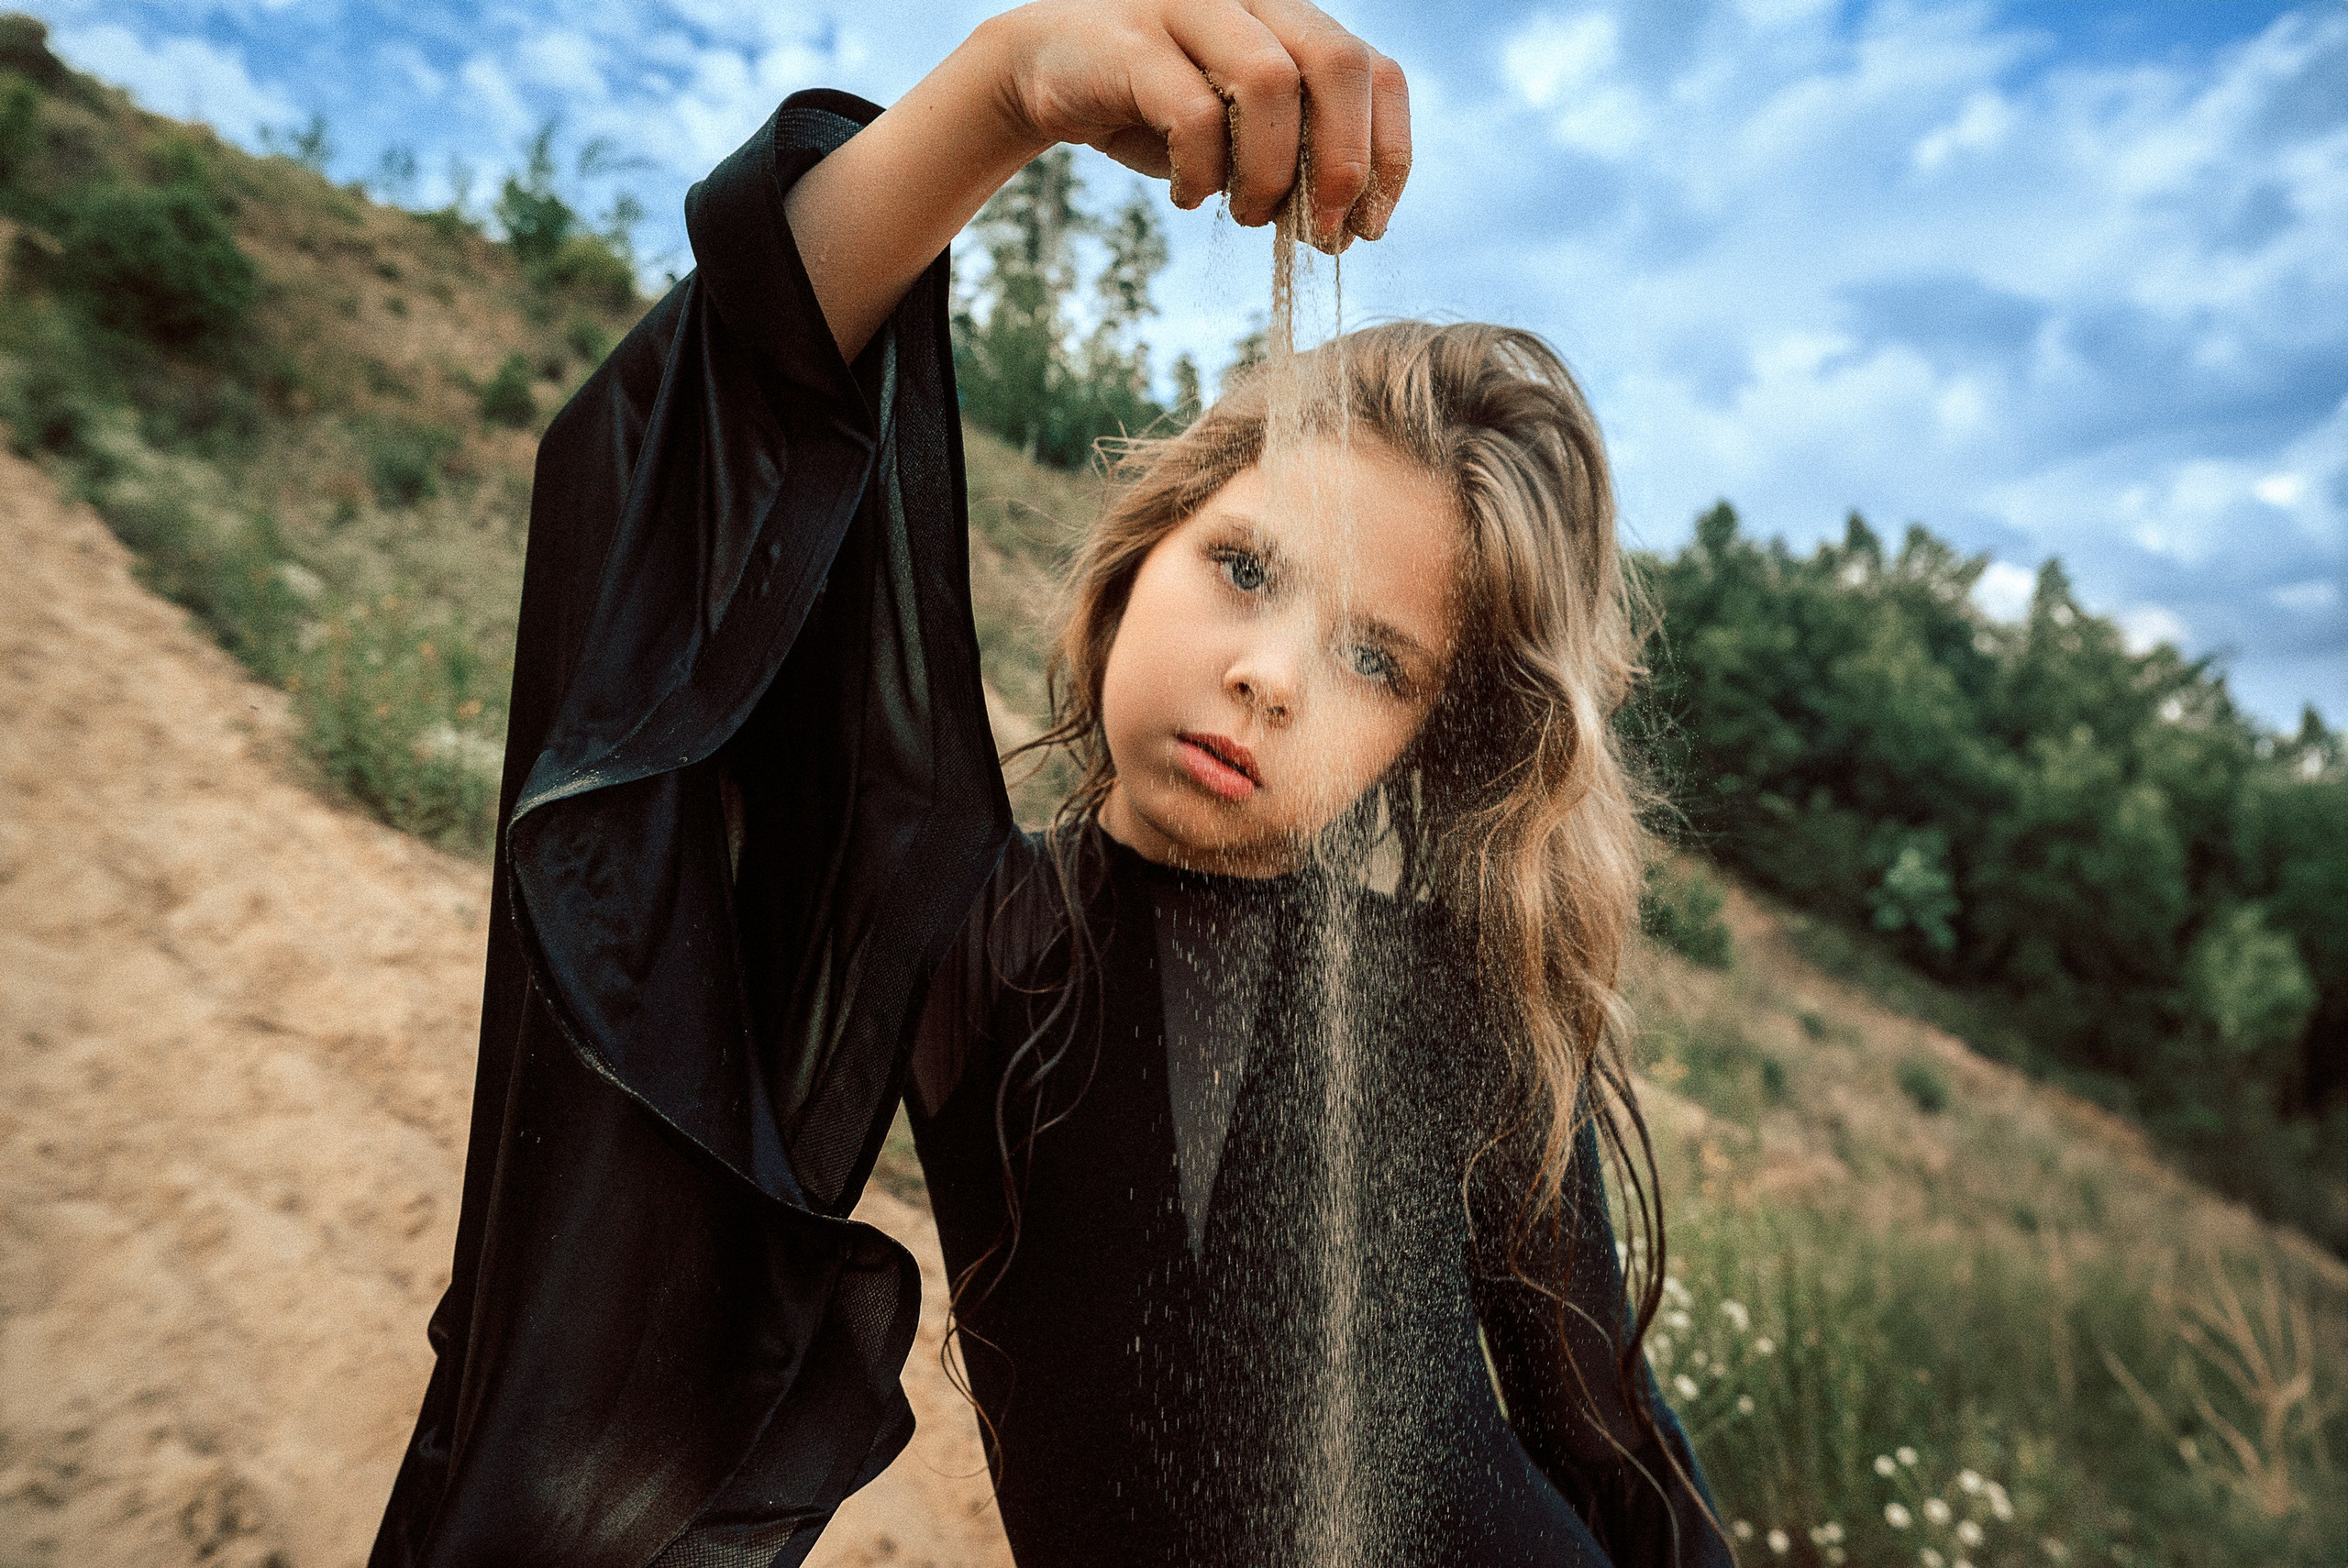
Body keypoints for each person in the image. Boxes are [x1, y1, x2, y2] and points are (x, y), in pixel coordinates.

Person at [370, 4, 1732, 1566]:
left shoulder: (1465, 1005)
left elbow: (1621, 1454)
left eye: (1378, 663)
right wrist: (1011, 86)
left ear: (1431, 743)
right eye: (1244, 566)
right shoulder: (969, 932)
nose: (1272, 673)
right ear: (1145, 544)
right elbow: (735, 398)